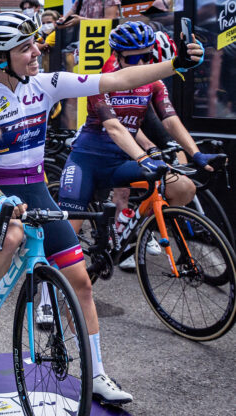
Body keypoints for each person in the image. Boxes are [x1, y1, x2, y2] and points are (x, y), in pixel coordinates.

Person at [0, 12, 203, 405]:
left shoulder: (46, 84)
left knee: (82, 283)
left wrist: (176, 64)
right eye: (26, 48)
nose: (37, 51)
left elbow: (117, 79)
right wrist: (0, 201)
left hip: (35, 188)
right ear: (0, 58)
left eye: (35, 43)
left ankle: (96, 373)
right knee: (11, 235)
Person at [57, 22, 214, 270]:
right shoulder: (101, 80)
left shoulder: (153, 82)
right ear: (117, 56)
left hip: (119, 163)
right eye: (135, 58)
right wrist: (143, 157)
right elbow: (114, 127)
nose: (143, 64)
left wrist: (196, 153)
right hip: (87, 161)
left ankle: (135, 230)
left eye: (148, 56)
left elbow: (170, 120)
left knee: (183, 187)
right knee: (64, 246)